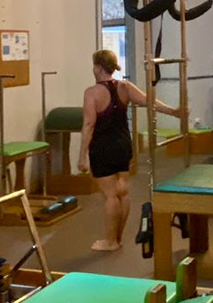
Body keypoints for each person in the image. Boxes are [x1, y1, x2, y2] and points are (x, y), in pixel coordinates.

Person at [78, 49, 182, 252]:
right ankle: (117, 238)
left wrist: (82, 156)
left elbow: (89, 124)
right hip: (123, 145)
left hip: (103, 147)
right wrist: (174, 112)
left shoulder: (92, 93)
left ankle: (111, 241)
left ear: (98, 68)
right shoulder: (125, 87)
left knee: (110, 196)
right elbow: (149, 101)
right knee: (122, 193)